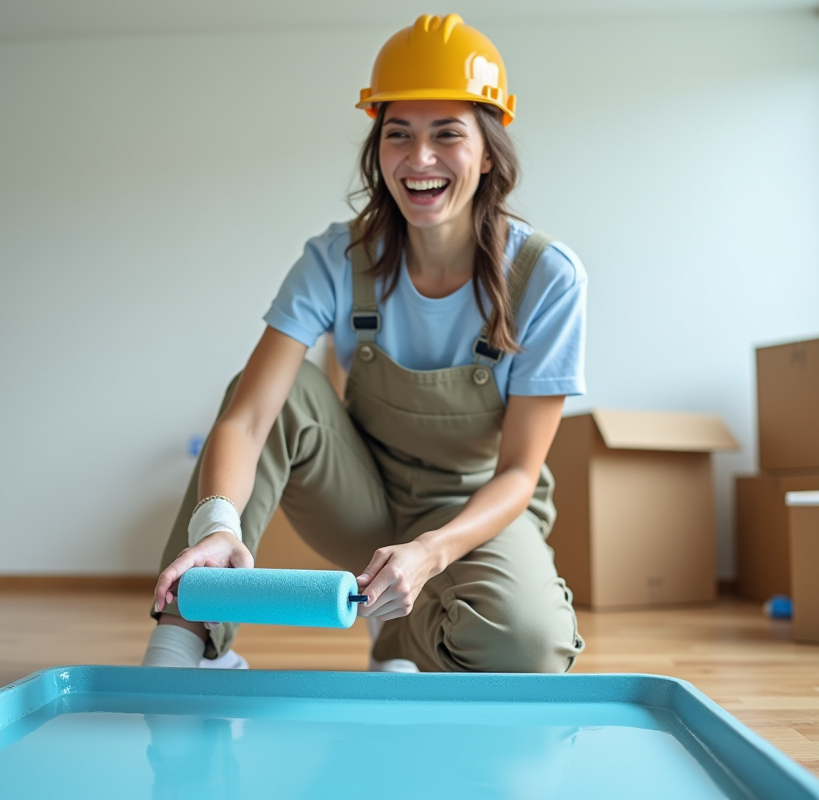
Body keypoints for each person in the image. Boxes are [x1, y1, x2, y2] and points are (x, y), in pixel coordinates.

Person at [143, 13, 586, 673]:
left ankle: (405, 641)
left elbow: (520, 473)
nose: (420, 159)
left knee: (528, 644)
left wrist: (432, 551)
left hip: (468, 509)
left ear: (489, 150)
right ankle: (186, 642)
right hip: (362, 496)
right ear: (377, 146)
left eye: (447, 135)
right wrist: (217, 527)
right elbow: (252, 413)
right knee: (280, 384)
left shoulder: (545, 278)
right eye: (398, 134)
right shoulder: (337, 259)